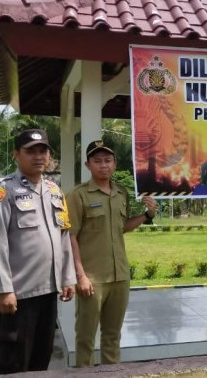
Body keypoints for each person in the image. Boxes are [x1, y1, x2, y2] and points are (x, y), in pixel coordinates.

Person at [0, 129, 75, 374]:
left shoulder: (55, 191)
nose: (38, 156)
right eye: (30, 151)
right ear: (16, 155)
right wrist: (4, 290)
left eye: (42, 150)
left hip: (48, 291)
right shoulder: (1, 192)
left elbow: (63, 236)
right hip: (18, 295)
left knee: (40, 359)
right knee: (13, 363)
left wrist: (67, 278)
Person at [67, 140, 158, 367]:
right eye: (97, 161)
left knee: (112, 337)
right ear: (88, 165)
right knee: (86, 339)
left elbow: (123, 227)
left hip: (119, 277)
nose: (103, 165)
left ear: (115, 164)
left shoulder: (121, 193)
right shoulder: (78, 196)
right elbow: (70, 237)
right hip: (93, 279)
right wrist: (80, 276)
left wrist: (148, 214)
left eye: (108, 161)